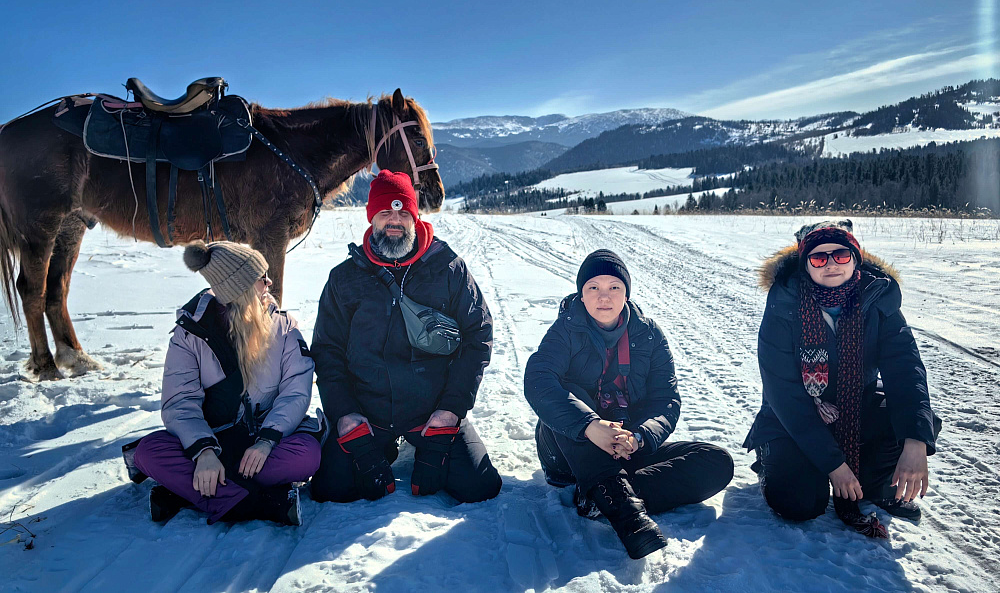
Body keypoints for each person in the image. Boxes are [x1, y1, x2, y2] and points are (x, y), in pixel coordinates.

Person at [524, 249, 734, 560]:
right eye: (593, 287)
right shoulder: (566, 330)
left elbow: (666, 400)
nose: (603, 297)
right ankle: (626, 514)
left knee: (716, 462)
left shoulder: (649, 334)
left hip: (626, 449)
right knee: (566, 390)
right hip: (568, 450)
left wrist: (639, 438)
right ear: (581, 294)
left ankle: (605, 494)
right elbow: (538, 380)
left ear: (627, 293)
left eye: (614, 287)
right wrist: (591, 427)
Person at [310, 170, 501, 504]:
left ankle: (425, 441)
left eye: (403, 212)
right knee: (331, 488)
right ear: (372, 217)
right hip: (368, 411)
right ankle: (379, 444)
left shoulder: (448, 268)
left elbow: (477, 337)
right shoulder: (344, 278)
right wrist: (345, 415)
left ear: (415, 215)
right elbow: (327, 351)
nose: (394, 220)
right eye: (385, 212)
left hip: (432, 411)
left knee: (479, 487)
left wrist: (450, 412)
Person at [744, 220, 940, 538]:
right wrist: (835, 465)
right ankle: (771, 461)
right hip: (794, 414)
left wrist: (915, 442)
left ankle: (877, 484)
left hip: (853, 403)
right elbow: (782, 394)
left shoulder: (878, 299)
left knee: (917, 421)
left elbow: (905, 369)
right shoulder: (784, 304)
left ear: (856, 258)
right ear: (805, 264)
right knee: (799, 503)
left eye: (841, 255)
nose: (831, 264)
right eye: (820, 258)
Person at [131, 241, 323, 525]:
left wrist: (267, 441)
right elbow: (179, 403)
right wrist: (204, 453)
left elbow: (295, 393)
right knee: (148, 453)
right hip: (212, 442)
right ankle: (266, 504)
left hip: (263, 442)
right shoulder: (190, 333)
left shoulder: (284, 328)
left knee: (307, 456)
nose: (270, 283)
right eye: (261, 278)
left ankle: (188, 493)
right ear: (240, 289)